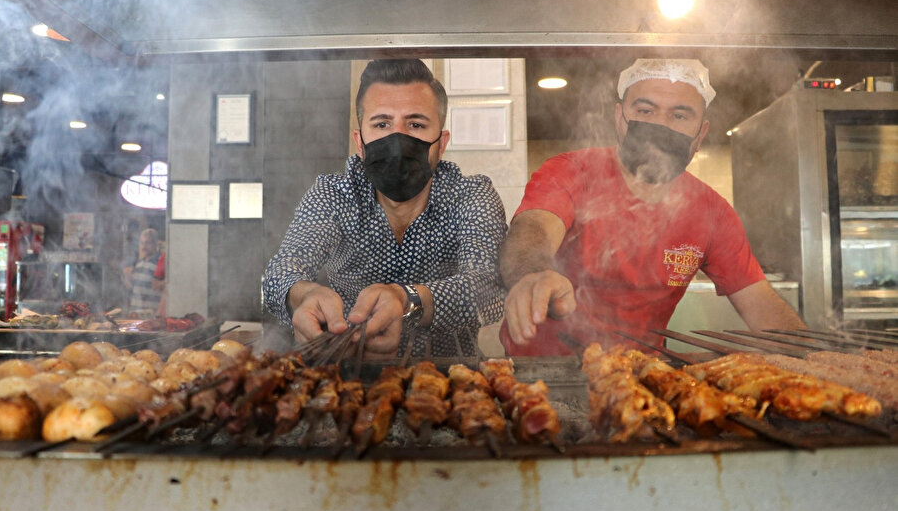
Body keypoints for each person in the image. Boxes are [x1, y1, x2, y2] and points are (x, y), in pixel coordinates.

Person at [499, 58, 806, 356]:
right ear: (619, 118)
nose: (660, 125)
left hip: (642, 376)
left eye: (680, 115)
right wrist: (534, 273)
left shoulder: (713, 211)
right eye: (645, 111)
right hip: (543, 372)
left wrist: (810, 357)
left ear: (701, 134)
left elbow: (760, 303)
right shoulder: (571, 171)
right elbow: (534, 228)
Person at [263, 59, 506, 357]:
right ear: (360, 142)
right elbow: (283, 269)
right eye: (382, 124)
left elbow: (489, 289)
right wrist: (304, 295)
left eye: (416, 124)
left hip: (451, 374)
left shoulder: (470, 195)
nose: (397, 140)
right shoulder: (334, 193)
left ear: (441, 144)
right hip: (347, 369)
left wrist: (408, 299)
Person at [122, 228, 163, 317]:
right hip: (135, 314)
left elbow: (165, 291)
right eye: (142, 243)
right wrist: (127, 277)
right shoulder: (139, 263)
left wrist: (158, 314)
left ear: (155, 243)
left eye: (148, 243)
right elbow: (131, 288)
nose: (144, 246)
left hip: (151, 316)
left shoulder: (161, 263)